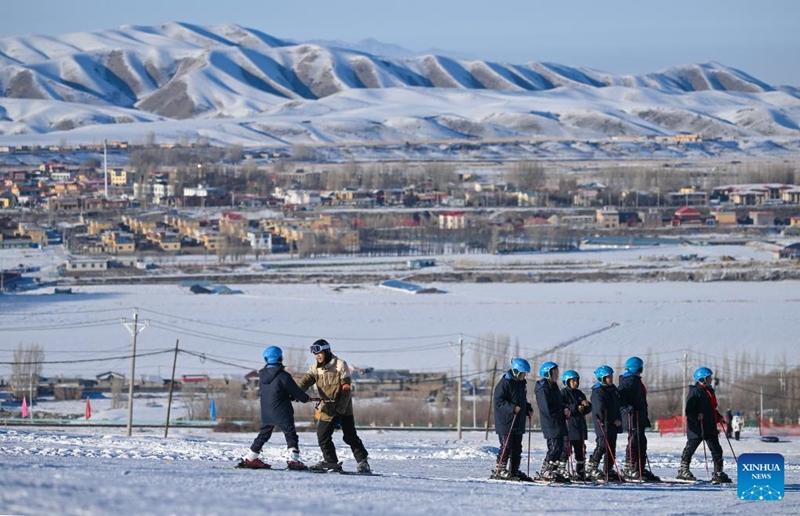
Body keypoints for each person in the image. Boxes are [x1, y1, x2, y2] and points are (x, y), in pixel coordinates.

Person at [297, 339, 371, 473]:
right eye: (315, 354)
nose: (317, 356)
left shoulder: (340, 365)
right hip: (327, 409)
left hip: (343, 408)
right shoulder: (315, 368)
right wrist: (294, 392)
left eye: (319, 353)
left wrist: (340, 411)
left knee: (350, 436)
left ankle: (363, 462)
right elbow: (304, 383)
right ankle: (330, 461)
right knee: (322, 436)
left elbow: (346, 390)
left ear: (326, 351)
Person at [240, 345, 311, 469]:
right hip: (282, 411)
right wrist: (306, 398)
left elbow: (273, 391)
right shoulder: (284, 376)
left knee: (264, 434)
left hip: (266, 411)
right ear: (280, 358)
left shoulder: (261, 376)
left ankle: (250, 458)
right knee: (290, 434)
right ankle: (293, 460)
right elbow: (297, 393)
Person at [676, 367, 732, 484]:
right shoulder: (695, 391)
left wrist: (718, 416)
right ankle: (683, 470)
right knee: (690, 449)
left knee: (717, 450)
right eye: (709, 377)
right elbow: (689, 410)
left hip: (709, 426)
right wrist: (697, 415)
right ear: (702, 378)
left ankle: (718, 473)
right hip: (697, 427)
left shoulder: (709, 391)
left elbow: (711, 408)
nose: (711, 379)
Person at [491, 357, 534, 481]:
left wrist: (527, 409)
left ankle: (514, 471)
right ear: (516, 371)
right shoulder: (505, 383)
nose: (524, 376)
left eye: (525, 373)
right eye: (522, 373)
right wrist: (512, 408)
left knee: (517, 448)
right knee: (506, 446)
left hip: (518, 421)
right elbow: (499, 402)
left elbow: (521, 401)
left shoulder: (521, 384)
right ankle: (500, 470)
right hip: (506, 422)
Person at [618, 356, 659, 481]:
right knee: (634, 441)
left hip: (639, 416)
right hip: (632, 416)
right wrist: (626, 407)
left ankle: (640, 468)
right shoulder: (629, 380)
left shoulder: (634, 379)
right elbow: (620, 395)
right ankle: (629, 467)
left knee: (641, 441)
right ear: (636, 367)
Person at [534, 361, 569, 481]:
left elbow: (559, 402)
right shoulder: (543, 388)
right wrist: (561, 412)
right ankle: (545, 470)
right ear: (547, 373)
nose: (556, 375)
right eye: (554, 372)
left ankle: (553, 470)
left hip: (559, 421)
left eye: (557, 372)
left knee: (560, 447)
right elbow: (547, 409)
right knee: (554, 447)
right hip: (550, 423)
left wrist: (565, 408)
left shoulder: (554, 386)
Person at [587, 365, 622, 481]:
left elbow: (617, 406)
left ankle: (608, 469)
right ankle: (592, 467)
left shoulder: (613, 389)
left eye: (611, 376)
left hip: (613, 424)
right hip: (603, 424)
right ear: (602, 378)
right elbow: (600, 410)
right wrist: (613, 420)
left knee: (611, 447)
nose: (611, 379)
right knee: (602, 445)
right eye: (608, 377)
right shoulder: (598, 391)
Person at [559, 369, 592, 480]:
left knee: (581, 450)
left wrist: (586, 405)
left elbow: (586, 409)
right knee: (566, 449)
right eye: (572, 381)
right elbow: (562, 407)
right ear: (567, 381)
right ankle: (561, 469)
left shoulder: (579, 393)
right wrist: (575, 407)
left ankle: (580, 472)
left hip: (579, 426)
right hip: (569, 425)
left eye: (576, 380)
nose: (575, 383)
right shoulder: (563, 393)